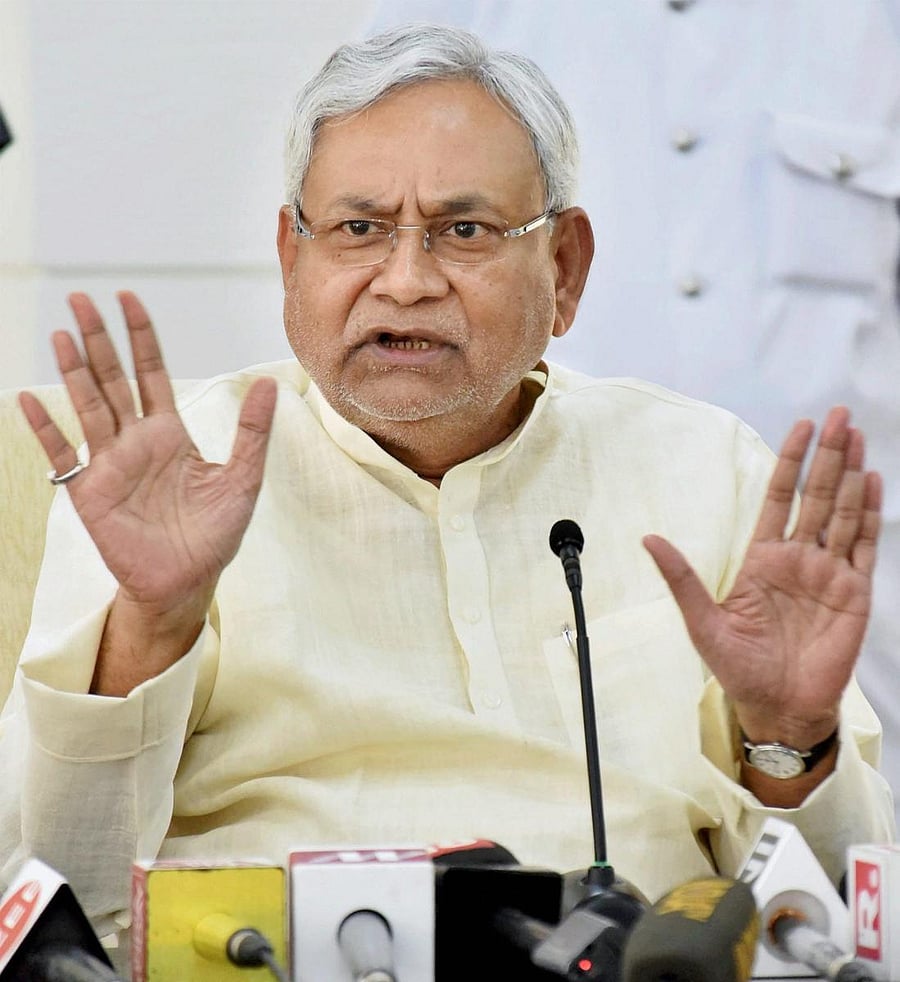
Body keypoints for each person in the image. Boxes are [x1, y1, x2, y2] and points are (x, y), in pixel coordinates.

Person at [0, 23, 893, 955]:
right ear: (289, 256)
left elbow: (834, 929)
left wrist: (789, 739)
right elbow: (45, 902)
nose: (407, 279)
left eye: (463, 231)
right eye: (359, 229)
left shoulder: (703, 470)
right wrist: (152, 627)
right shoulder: (174, 476)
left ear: (564, 270)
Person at [365, 0, 900, 832]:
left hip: (840, 566)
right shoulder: (464, 15)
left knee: (851, 872)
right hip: (564, 552)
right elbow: (366, 223)